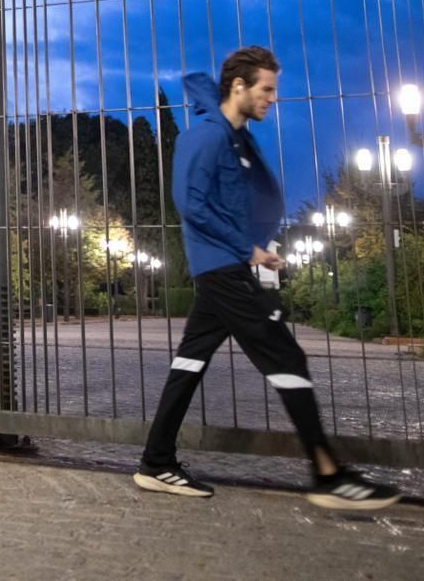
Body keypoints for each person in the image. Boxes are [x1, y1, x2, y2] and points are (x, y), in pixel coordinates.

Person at [133, 46, 401, 510]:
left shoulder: (233, 139)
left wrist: (254, 249)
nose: (273, 99)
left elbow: (234, 202)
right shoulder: (205, 137)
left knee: (190, 362)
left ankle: (156, 462)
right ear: (239, 86)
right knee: (287, 356)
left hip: (226, 267)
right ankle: (329, 475)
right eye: (267, 89)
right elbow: (190, 204)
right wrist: (246, 248)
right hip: (222, 269)